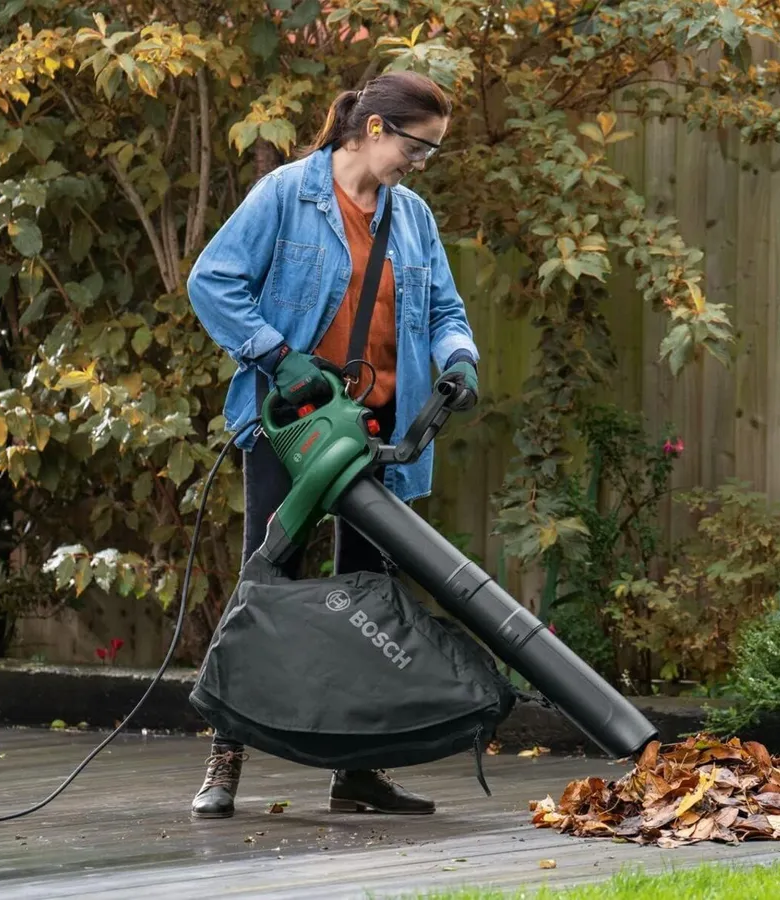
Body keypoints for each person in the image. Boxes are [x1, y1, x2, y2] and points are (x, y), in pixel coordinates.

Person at [184, 72, 480, 819]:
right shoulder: (287, 195)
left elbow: (445, 309)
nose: (422, 162)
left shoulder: (411, 217)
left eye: (432, 151)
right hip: (296, 428)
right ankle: (225, 756)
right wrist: (276, 355)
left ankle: (358, 771)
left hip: (378, 434)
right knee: (267, 580)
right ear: (375, 129)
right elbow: (213, 281)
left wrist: (459, 359)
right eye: (419, 146)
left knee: (369, 597)